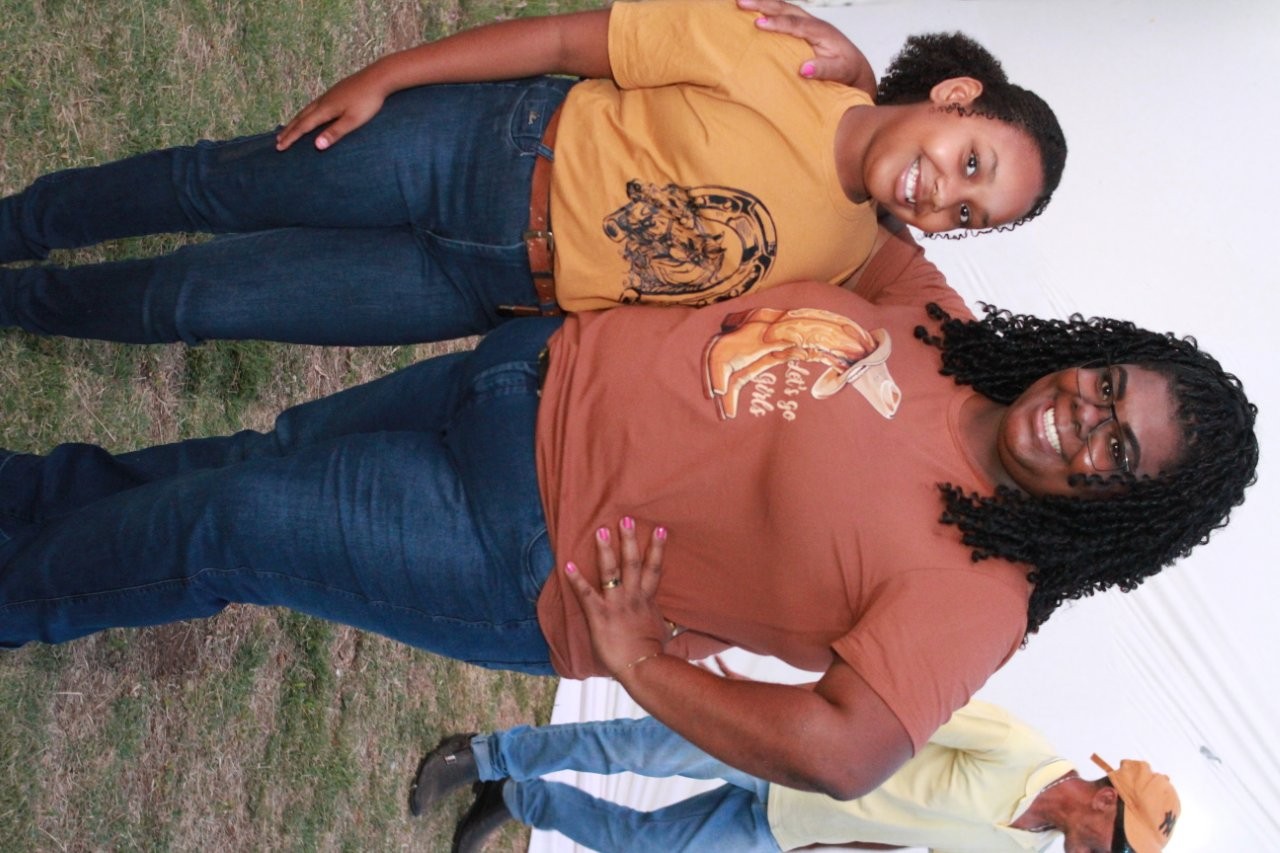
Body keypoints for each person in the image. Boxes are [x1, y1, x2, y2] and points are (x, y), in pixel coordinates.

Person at [0, 220, 1256, 802]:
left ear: (1121, 510)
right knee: (244, 461)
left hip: (521, 552)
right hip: (520, 379)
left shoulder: (983, 594)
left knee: (226, 527)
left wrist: (645, 667)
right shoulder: (941, 325)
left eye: (1116, 452)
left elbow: (842, 753)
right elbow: (853, 187)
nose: (1082, 418)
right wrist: (836, 60)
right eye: (1106, 386)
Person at [0, 0, 1065, 346]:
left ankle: (20, 305)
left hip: (483, 288)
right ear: (954, 94)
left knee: (197, 302)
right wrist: (388, 74)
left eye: (970, 214)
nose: (944, 196)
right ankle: (19, 225)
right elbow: (565, 41)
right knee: (218, 186)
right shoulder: (777, 52)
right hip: (477, 150)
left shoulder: (841, 264)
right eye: (969, 162)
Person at [409, 699, 1181, 853]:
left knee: (641, 845)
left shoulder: (1026, 847)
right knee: (631, 747)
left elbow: (911, 837)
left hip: (789, 825)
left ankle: (515, 796)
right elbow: (899, 707)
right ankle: (480, 754)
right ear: (1107, 797)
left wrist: (828, 841)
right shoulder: (1016, 746)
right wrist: (791, 720)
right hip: (785, 750)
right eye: (1118, 846)